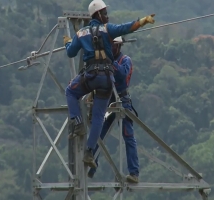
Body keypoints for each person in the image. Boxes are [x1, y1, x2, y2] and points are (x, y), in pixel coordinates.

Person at [63, 0, 155, 168]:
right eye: (104, 13)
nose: (107, 15)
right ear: (97, 14)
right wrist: (142, 21)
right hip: (106, 79)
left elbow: (70, 52)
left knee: (70, 92)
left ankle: (77, 123)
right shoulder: (107, 30)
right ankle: (89, 153)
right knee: (98, 116)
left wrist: (68, 41)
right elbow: (125, 28)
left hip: (90, 76)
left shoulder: (81, 34)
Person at [87, 36, 140, 183]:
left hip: (122, 101)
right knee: (98, 133)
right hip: (107, 100)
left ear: (119, 46)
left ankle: (134, 172)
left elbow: (122, 75)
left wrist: (111, 61)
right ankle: (92, 164)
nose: (112, 48)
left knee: (128, 136)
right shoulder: (105, 60)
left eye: (114, 45)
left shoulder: (125, 61)